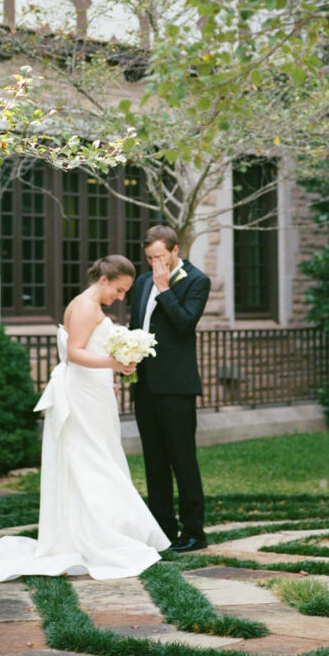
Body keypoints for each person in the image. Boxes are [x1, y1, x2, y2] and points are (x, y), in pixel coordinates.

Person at [0, 255, 170, 582]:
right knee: (91, 461)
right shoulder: (85, 307)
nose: (119, 298)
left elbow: (87, 350)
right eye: (118, 290)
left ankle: (107, 530)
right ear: (104, 279)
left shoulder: (90, 305)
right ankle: (99, 536)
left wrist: (110, 373)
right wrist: (113, 364)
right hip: (80, 396)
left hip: (93, 391)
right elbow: (74, 353)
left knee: (99, 458)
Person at [129, 225, 211, 553]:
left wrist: (165, 289)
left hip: (177, 387)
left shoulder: (196, 281)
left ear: (175, 251)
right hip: (145, 385)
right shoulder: (141, 281)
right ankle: (163, 528)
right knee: (154, 460)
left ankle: (194, 532)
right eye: (149, 258)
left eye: (159, 257)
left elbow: (184, 323)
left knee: (182, 459)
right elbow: (138, 328)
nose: (154, 264)